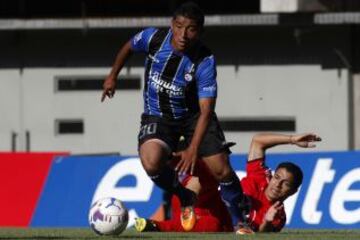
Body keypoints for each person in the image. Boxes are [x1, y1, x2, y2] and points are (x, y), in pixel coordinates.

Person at [101, 2, 247, 231]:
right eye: (179, 26)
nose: (183, 34)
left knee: (221, 169)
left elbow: (207, 110)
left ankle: (241, 221)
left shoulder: (204, 60)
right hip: (158, 116)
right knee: (151, 162)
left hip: (193, 118)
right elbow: (129, 46)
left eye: (191, 29)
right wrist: (112, 76)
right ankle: (184, 195)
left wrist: (193, 149)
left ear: (199, 32)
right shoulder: (154, 38)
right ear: (172, 25)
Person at [134, 132, 321, 234]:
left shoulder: (278, 215)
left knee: (215, 226)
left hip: (205, 222)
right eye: (277, 177)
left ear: (294, 191)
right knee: (211, 172)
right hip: (199, 199)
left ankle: (154, 226)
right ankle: (168, 158)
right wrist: (292, 139)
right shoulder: (259, 177)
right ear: (272, 175)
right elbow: (258, 141)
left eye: (285, 184)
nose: (277, 184)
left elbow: (262, 235)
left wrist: (266, 222)